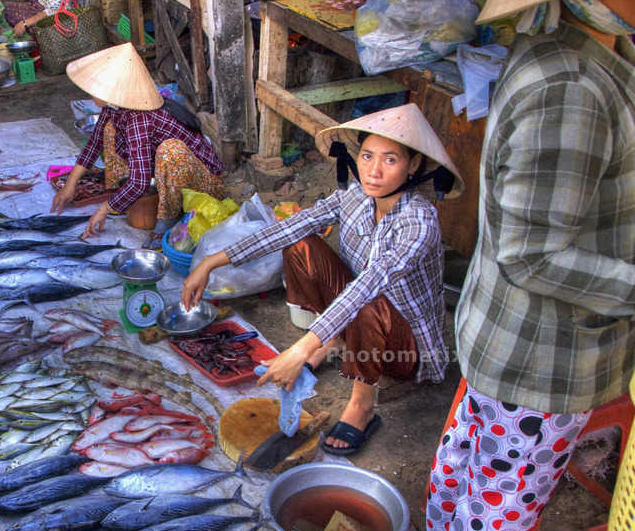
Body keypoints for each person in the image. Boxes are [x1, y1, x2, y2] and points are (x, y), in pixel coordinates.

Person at [419, 0, 634, 531]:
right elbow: (534, 254)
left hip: (506, 331)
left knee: (472, 447)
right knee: (507, 492)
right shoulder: (570, 82)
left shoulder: (580, 49)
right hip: (545, 350)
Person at [181, 103, 464, 456]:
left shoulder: (419, 221)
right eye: (367, 156)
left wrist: (300, 349)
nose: (373, 171)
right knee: (300, 244)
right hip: (356, 315)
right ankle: (334, 342)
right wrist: (210, 261)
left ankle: (362, 405)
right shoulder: (356, 196)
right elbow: (289, 228)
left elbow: (369, 284)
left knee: (367, 300)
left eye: (390, 160)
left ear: (414, 165)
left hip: (404, 347)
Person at [51, 43, 225, 239]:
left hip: (203, 184)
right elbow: (94, 144)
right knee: (109, 130)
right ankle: (123, 196)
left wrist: (104, 209)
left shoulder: (138, 118)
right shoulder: (115, 106)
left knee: (171, 151)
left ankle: (168, 219)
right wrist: (70, 184)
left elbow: (140, 181)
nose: (91, 93)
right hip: (159, 172)